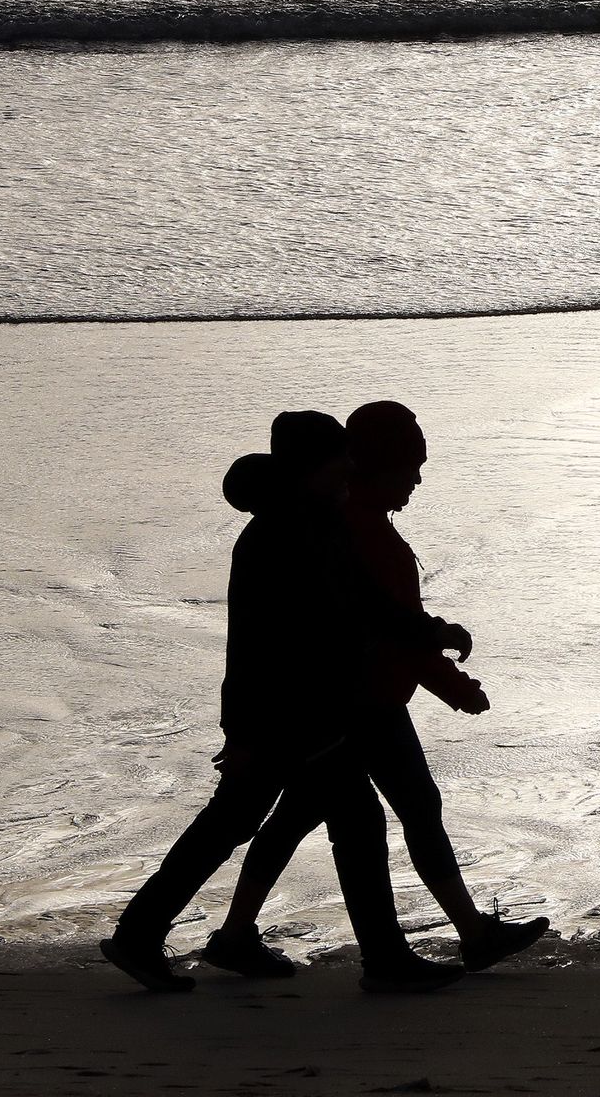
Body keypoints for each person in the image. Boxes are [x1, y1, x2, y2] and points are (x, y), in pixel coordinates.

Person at [100, 411, 471, 994]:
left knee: (244, 821)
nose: (351, 466)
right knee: (338, 820)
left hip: (290, 713)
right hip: (295, 715)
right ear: (313, 467)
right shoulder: (293, 534)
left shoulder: (300, 524)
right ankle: (384, 960)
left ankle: (143, 934)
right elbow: (300, 632)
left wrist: (434, 633)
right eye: (339, 458)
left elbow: (357, 610)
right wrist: (244, 732)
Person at [208, 401, 548, 976]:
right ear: (374, 467)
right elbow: (390, 629)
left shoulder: (355, 523)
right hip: (359, 704)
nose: (417, 480)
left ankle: (240, 932)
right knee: (383, 812)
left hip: (366, 700)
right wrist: (454, 684)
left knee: (312, 815)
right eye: (410, 468)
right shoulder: (356, 532)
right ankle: (437, 943)